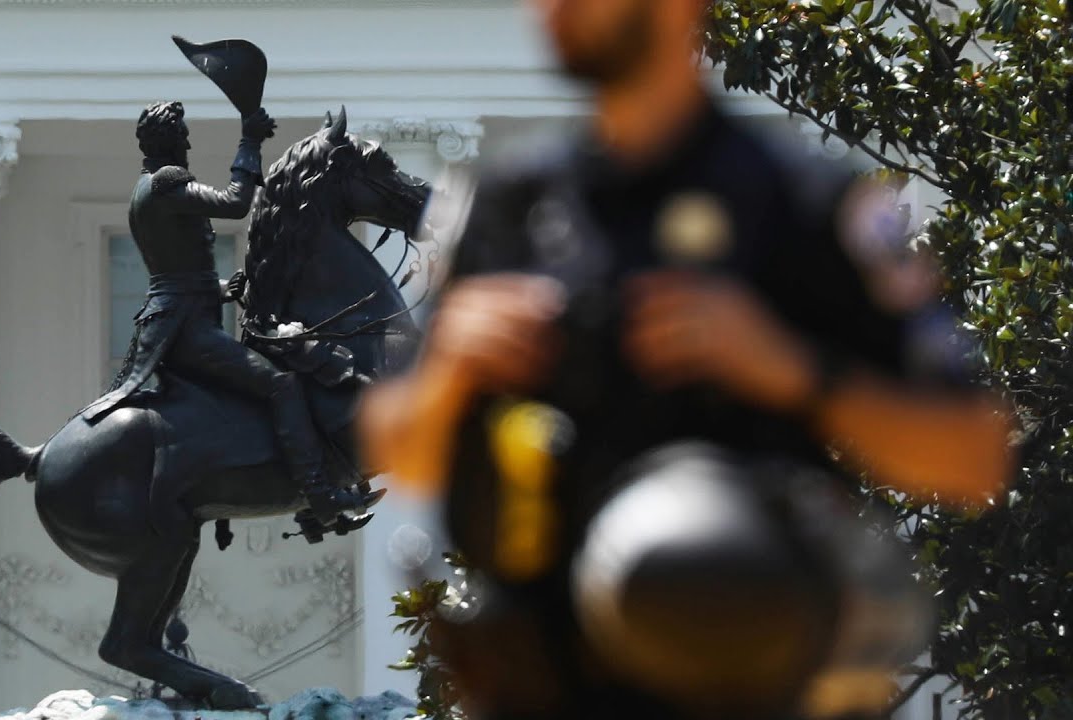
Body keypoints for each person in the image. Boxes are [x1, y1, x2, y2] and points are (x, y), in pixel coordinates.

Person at [358, 0, 1017, 717]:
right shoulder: (510, 209)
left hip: (755, 681)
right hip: (553, 687)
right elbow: (400, 456)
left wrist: (794, 370)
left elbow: (973, 460)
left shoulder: (807, 203)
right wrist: (452, 367)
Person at [82, 100, 372, 525]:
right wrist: (249, 141)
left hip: (180, 317)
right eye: (182, 135)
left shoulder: (146, 189)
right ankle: (321, 498)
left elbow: (173, 271)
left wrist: (219, 289)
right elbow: (236, 202)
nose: (187, 142)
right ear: (170, 141)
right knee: (282, 385)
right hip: (185, 331)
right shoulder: (166, 182)